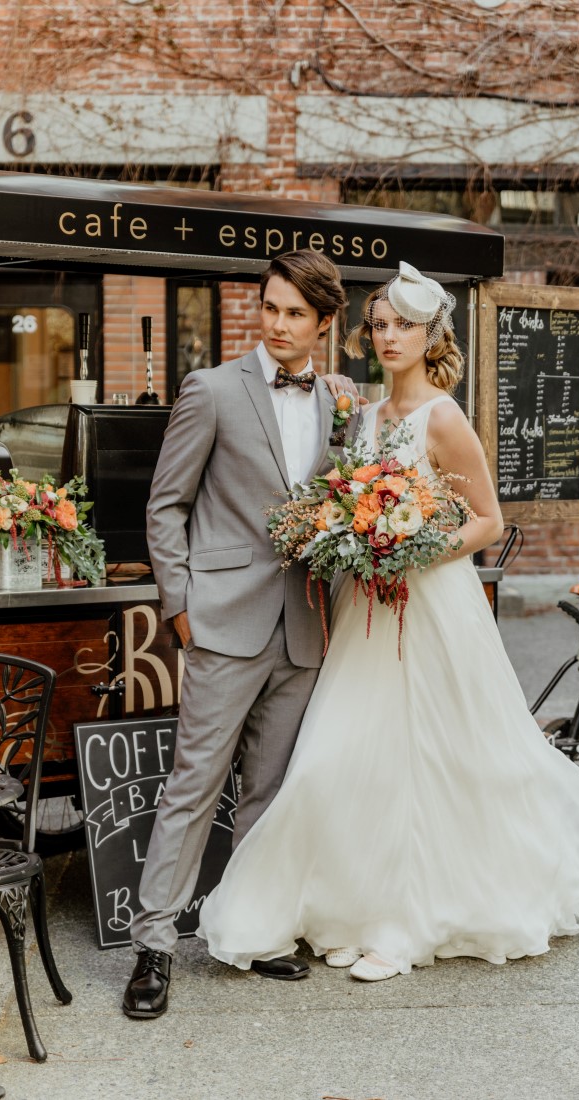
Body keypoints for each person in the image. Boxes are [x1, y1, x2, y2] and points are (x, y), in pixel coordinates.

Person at [196, 261, 579, 982]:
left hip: (428, 608)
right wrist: (354, 534)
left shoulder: (444, 417)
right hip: (364, 612)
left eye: (402, 324)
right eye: (377, 324)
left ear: (430, 333)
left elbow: (486, 523)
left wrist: (407, 546)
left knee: (420, 762)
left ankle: (403, 924)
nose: (387, 336)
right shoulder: (366, 416)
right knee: (342, 762)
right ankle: (346, 908)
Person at [123, 249, 361, 1019]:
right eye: (270, 307)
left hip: (304, 624)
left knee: (267, 792)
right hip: (222, 620)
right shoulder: (212, 389)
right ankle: (153, 947)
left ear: (325, 323)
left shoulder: (336, 401)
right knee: (193, 787)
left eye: (296, 312)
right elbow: (166, 505)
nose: (279, 323)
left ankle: (252, 933)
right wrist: (180, 607)